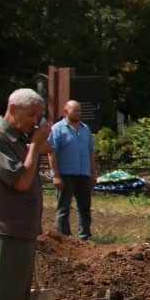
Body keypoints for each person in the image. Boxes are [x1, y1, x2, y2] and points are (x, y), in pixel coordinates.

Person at [0, 89, 51, 300]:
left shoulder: (19, 138)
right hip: (6, 233)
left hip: (22, 231)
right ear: (13, 109)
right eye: (32, 114)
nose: (36, 121)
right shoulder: (3, 139)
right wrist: (34, 147)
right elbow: (20, 181)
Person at [48, 99, 95, 239]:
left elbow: (91, 151)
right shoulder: (57, 129)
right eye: (75, 111)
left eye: (79, 110)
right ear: (66, 111)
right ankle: (63, 237)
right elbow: (51, 152)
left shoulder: (85, 129)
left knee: (85, 208)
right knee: (63, 208)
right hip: (65, 174)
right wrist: (55, 175)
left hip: (83, 174)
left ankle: (85, 236)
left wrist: (93, 172)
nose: (78, 113)